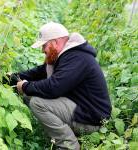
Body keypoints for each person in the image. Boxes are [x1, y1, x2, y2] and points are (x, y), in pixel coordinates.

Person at [9, 22, 112, 150]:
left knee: (37, 103)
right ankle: (63, 134)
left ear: (55, 42)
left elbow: (54, 88)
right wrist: (11, 78)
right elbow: (39, 72)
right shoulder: (65, 56)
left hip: (92, 119)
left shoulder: (77, 57)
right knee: (30, 96)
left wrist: (25, 86)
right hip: (81, 108)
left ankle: (69, 146)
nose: (42, 50)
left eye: (44, 45)